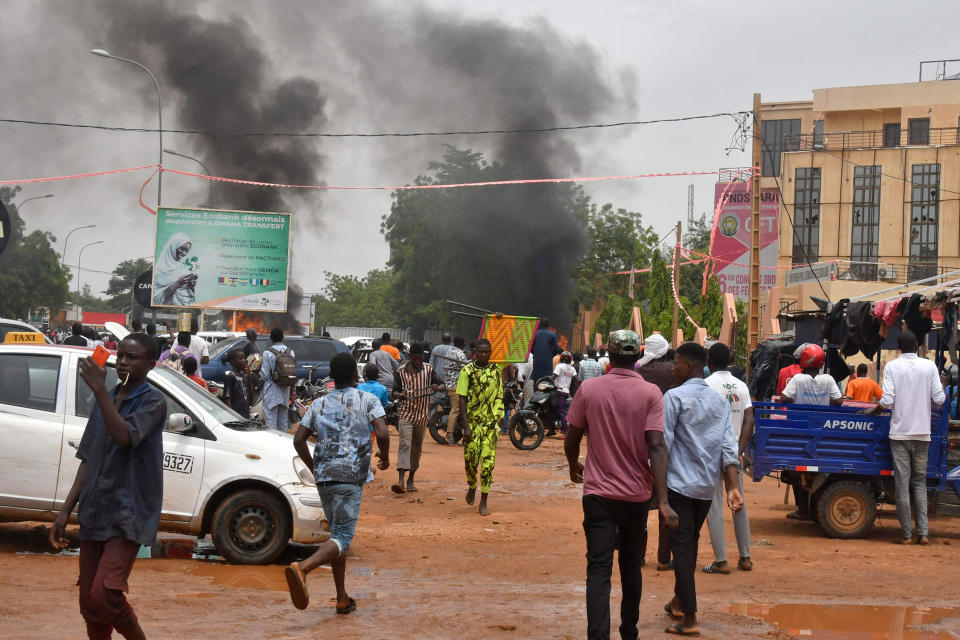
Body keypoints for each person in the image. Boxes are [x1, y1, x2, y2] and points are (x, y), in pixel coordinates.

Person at [49, 333, 166, 640]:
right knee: (89, 601)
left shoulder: (153, 401)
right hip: (94, 509)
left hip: (127, 512)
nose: (123, 362)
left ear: (151, 365)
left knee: (105, 594)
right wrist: (64, 512)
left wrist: (100, 392)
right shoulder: (107, 396)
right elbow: (87, 457)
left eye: (133, 357)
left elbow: (125, 437)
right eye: (121, 356)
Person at [564, 330, 676, 640]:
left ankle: (597, 636)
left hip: (598, 493)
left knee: (598, 569)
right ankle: (629, 632)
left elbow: (572, 438)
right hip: (636, 495)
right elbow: (656, 446)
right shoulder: (651, 393)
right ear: (637, 356)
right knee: (630, 565)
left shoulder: (589, 390)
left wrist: (574, 465)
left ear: (610, 357)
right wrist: (663, 500)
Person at [286, 352, 390, 614]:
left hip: (325, 478)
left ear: (331, 377)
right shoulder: (368, 399)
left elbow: (299, 440)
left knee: (337, 538)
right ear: (356, 376)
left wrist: (315, 468)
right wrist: (385, 457)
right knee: (343, 536)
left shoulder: (319, 404)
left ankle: (342, 597)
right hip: (350, 477)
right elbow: (382, 432)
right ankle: (304, 568)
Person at [662, 342, 743, 637]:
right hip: (705, 488)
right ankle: (678, 602)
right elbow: (728, 446)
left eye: (677, 363)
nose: (673, 368)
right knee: (689, 544)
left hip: (680, 487)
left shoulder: (673, 398)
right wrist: (733, 487)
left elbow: (664, 444)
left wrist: (655, 488)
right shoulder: (719, 401)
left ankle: (690, 619)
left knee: (682, 549)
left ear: (691, 367)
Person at [868, 330, 946, 544]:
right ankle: (923, 534)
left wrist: (875, 410)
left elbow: (888, 399)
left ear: (899, 347)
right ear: (918, 344)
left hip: (900, 433)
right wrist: (944, 383)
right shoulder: (929, 366)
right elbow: (939, 399)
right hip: (923, 434)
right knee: (919, 483)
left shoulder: (893, 366)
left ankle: (906, 535)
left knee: (902, 484)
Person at [703, 343, 755, 575]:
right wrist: (739, 450)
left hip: (711, 452)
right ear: (731, 361)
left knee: (714, 506)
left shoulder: (705, 385)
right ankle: (745, 558)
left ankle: (721, 560)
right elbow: (749, 420)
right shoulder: (741, 386)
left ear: (709, 362)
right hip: (733, 452)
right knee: (738, 504)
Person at [636, 332, 677, 571]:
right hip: (665, 443)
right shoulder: (673, 372)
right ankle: (663, 558)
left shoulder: (637, 373)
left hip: (640, 443)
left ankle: (638, 555)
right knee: (665, 501)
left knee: (640, 503)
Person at [457, 338, 510, 516]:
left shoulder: (496, 369)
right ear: (475, 352)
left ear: (491, 353)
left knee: (488, 464)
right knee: (471, 463)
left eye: (486, 352)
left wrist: (500, 321)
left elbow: (511, 349)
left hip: (491, 424)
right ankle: (472, 485)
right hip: (472, 423)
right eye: (480, 351)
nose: (483, 355)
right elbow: (462, 399)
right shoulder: (467, 371)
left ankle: (484, 500)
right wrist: (466, 427)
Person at [391, 343, 444, 494]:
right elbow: (394, 391)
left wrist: (436, 387)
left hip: (422, 415)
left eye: (420, 359)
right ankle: (401, 480)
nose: (418, 361)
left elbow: (440, 384)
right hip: (405, 413)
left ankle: (411, 479)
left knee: (416, 448)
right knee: (405, 444)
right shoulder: (400, 371)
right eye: (415, 359)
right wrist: (400, 395)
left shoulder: (428, 369)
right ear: (410, 357)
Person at [261, 328, 295, 432]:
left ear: (271, 338)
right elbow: (293, 373)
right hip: (285, 391)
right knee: (283, 422)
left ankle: (272, 446)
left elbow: (265, 375)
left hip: (271, 392)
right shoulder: (291, 352)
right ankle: (282, 444)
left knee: (271, 423)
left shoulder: (267, 353)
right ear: (283, 337)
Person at [153, 232, 197, 306]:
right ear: (173, 246)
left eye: (187, 251)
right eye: (182, 249)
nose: (184, 253)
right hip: (168, 312)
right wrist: (178, 283)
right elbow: (156, 300)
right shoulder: (158, 271)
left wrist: (192, 286)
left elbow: (190, 297)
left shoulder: (183, 268)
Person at [442, 336, 468, 445]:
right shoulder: (460, 354)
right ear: (463, 344)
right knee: (456, 409)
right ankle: (449, 433)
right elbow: (466, 367)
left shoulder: (449, 351)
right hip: (456, 385)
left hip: (449, 383)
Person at [222, 349, 253, 418]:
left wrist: (249, 377)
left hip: (245, 412)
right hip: (236, 413)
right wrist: (232, 415)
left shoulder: (244, 375)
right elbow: (227, 397)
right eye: (241, 359)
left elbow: (251, 396)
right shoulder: (230, 376)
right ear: (233, 362)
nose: (244, 360)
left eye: (244, 358)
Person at [553, 351, 577, 434]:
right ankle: (552, 428)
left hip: (559, 392)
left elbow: (553, 377)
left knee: (562, 411)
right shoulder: (572, 368)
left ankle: (565, 430)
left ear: (561, 358)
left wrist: (546, 379)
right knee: (557, 410)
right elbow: (576, 380)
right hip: (566, 392)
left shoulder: (559, 366)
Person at [531, 318, 560, 384]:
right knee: (547, 381)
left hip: (536, 362)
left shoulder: (534, 334)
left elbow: (530, 348)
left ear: (540, 325)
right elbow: (556, 350)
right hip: (547, 363)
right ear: (548, 325)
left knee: (536, 381)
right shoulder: (552, 335)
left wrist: (535, 354)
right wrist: (550, 355)